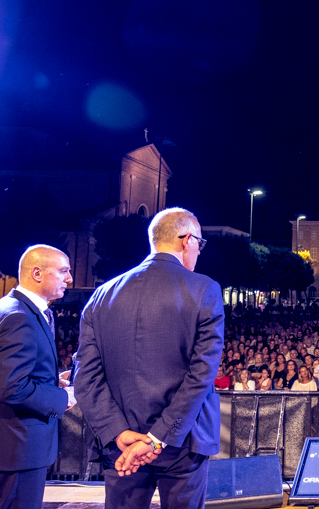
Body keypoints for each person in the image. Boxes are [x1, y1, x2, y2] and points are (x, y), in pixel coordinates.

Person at [75, 208, 224, 509]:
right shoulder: (204, 289)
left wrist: (118, 432)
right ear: (186, 241)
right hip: (184, 441)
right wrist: (157, 438)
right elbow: (201, 374)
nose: (199, 251)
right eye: (200, 244)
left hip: (123, 445)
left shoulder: (102, 294)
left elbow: (85, 377)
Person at [0, 245, 75, 509]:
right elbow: (11, 386)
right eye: (63, 271)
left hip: (15, 448)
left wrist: (52, 380)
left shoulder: (11, 308)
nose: (70, 279)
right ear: (37, 273)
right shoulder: (20, 317)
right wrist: (60, 397)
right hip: (19, 451)